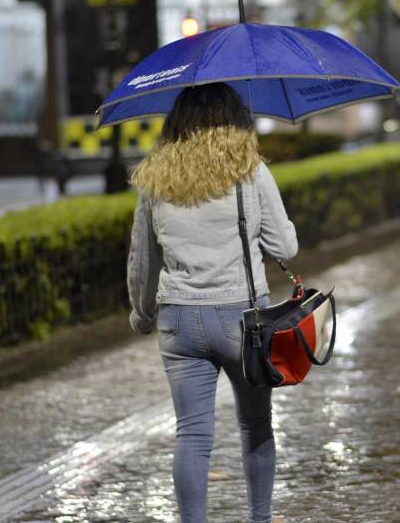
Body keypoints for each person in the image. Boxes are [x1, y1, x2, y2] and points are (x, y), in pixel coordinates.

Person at [126, 82, 298, 523]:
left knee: (192, 434)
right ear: (235, 120)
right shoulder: (250, 171)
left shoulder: (155, 177)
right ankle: (259, 519)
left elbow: (143, 259)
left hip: (178, 320)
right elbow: (285, 246)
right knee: (256, 425)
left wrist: (143, 313)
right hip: (243, 321)